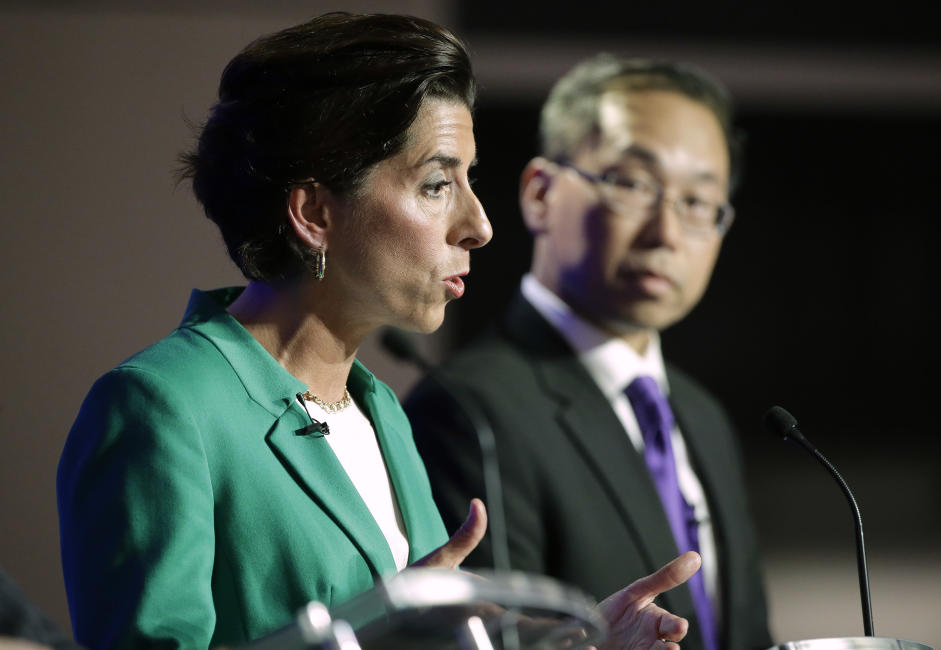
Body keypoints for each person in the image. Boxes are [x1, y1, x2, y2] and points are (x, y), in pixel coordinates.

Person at [57, 14, 701, 650]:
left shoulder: (379, 410)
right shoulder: (160, 407)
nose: (478, 225)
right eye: (436, 184)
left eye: (469, 181)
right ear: (313, 212)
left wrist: (576, 640)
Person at [405, 55, 773, 650]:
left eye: (698, 202)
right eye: (632, 184)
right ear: (541, 195)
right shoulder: (469, 410)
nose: (667, 233)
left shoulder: (702, 415)